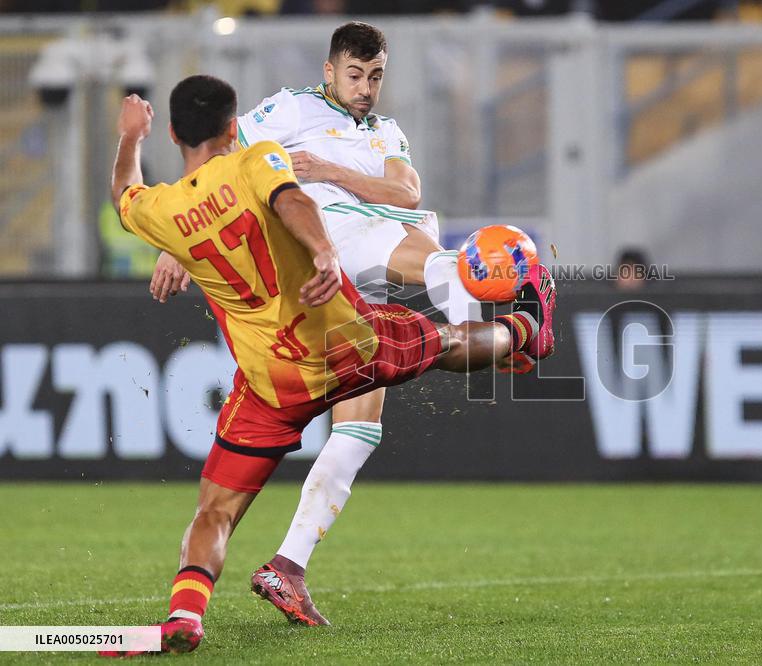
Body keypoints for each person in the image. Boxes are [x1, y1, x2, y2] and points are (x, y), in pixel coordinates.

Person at [104, 75, 555, 655]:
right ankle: (524, 331)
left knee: (214, 511)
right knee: (443, 344)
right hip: (344, 345)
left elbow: (125, 192)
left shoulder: (162, 209)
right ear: (233, 127)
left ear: (171, 133)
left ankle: (184, 616)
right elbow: (291, 200)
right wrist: (322, 249)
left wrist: (130, 137)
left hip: (270, 385)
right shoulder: (256, 161)